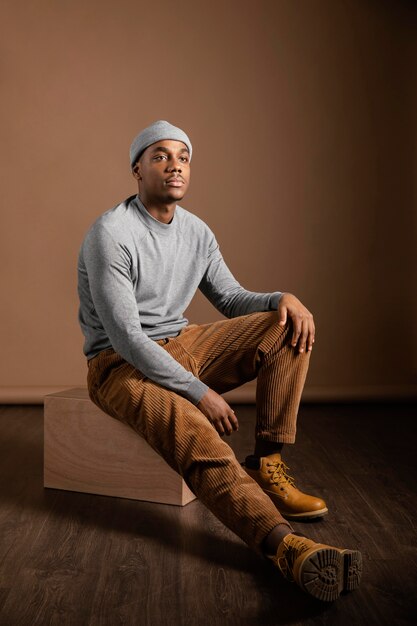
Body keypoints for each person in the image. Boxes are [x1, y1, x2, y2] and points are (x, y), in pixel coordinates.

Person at [77, 120, 362, 602]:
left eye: (183, 157)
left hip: (181, 342)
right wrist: (197, 391)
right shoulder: (112, 233)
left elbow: (230, 298)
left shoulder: (196, 231)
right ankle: (285, 547)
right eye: (161, 156)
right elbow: (126, 338)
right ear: (137, 169)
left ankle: (268, 463)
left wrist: (282, 297)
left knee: (283, 323)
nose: (175, 166)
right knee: (194, 432)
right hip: (117, 366)